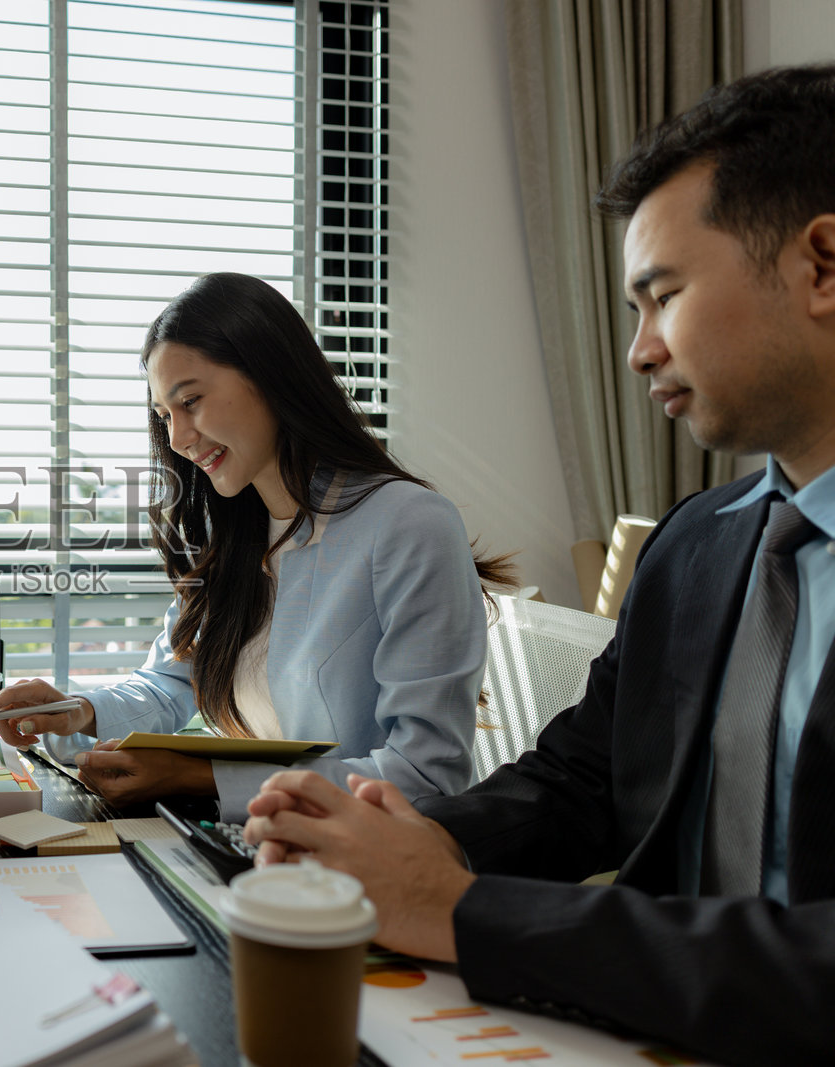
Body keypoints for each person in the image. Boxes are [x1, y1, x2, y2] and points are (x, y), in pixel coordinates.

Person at [243, 64, 835, 1066]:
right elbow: (586, 775)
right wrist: (434, 841)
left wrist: (464, 909)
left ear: (822, 265)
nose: (639, 351)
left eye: (663, 296)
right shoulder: (701, 540)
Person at [0, 272, 512, 822]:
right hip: (245, 842)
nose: (179, 439)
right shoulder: (234, 536)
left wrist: (205, 779)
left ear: (271, 377)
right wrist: (72, 711)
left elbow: (424, 776)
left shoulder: (408, 525)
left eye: (192, 401)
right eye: (165, 416)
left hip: (354, 866)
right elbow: (167, 685)